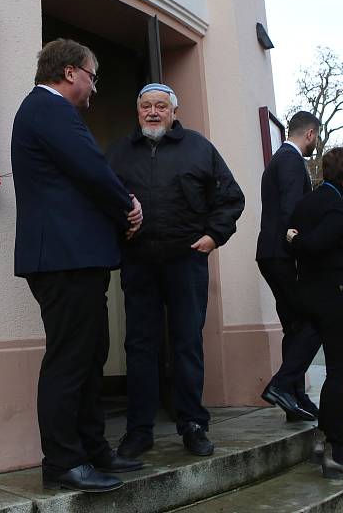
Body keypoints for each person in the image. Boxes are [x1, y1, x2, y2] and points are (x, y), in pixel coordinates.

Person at [12, 39, 143, 492]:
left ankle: (94, 450)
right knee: (70, 361)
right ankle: (63, 463)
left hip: (76, 257)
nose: (93, 87)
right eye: (92, 76)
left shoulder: (49, 112)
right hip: (62, 258)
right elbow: (91, 169)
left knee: (91, 358)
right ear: (70, 73)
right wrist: (128, 207)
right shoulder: (48, 109)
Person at [108, 83, 245, 459]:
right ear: (138, 112)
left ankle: (192, 425)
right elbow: (101, 201)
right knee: (139, 346)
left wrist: (214, 236)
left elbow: (232, 197)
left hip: (186, 260)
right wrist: (118, 233)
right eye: (146, 106)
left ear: (173, 112)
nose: (153, 112)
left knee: (186, 344)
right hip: (138, 263)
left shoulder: (199, 148)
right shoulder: (119, 153)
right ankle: (139, 430)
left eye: (161, 107)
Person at [286, 147, 343, 479]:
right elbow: (314, 243)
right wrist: (299, 242)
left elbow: (295, 235)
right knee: (341, 371)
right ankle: (336, 450)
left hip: (310, 293)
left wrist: (295, 239)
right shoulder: (337, 205)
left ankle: (325, 443)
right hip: (335, 296)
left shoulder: (307, 202)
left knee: (333, 371)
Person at [256, 111, 321, 422]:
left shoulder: (278, 159)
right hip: (283, 255)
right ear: (310, 133)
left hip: (270, 254)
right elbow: (293, 211)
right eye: (316, 137)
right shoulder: (292, 161)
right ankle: (283, 387)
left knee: (294, 326)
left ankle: (294, 397)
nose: (315, 144)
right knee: (311, 321)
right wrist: (304, 247)